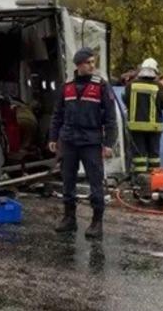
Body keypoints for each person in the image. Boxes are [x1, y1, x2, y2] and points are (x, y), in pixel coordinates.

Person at [49, 48, 117, 239]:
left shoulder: (101, 86)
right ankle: (69, 218)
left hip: (91, 142)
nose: (92, 66)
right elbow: (57, 114)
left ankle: (97, 222)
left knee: (95, 182)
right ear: (79, 64)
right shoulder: (67, 86)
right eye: (89, 62)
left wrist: (109, 143)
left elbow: (110, 118)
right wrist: (53, 138)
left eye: (93, 62)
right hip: (69, 140)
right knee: (68, 180)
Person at [123, 58, 163, 174]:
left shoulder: (131, 85)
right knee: (154, 155)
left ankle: (140, 179)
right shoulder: (159, 87)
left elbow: (125, 100)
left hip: (135, 126)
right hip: (154, 127)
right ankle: (154, 179)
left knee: (139, 155)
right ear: (155, 71)